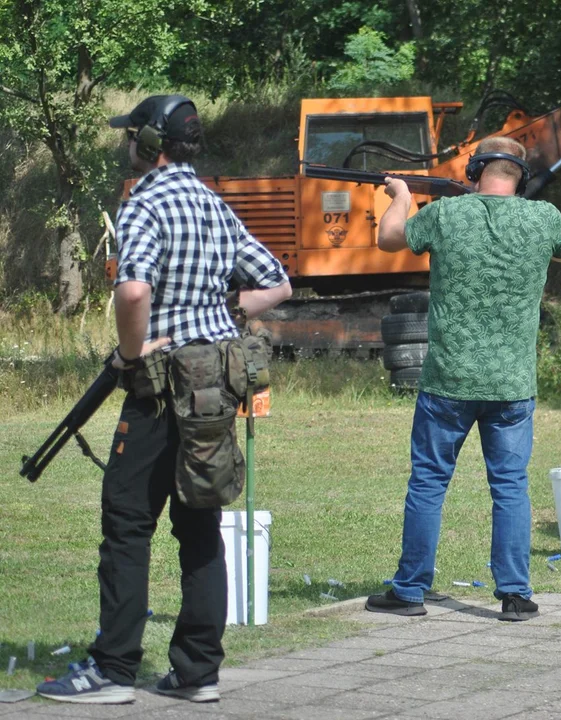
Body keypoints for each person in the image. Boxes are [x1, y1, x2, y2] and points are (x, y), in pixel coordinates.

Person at [37, 95, 291, 704]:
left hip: (159, 387)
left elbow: (132, 291)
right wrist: (222, 311)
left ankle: (112, 671)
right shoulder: (212, 202)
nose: (128, 144)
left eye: (132, 136)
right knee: (199, 524)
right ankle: (198, 671)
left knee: (127, 525)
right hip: (214, 387)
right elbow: (277, 281)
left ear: (148, 144)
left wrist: (131, 352)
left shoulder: (145, 201)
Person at [365, 136, 561, 621]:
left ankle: (411, 590)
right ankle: (515, 594)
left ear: (476, 169)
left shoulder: (445, 215)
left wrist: (401, 197)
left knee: (429, 484)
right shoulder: (545, 217)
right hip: (513, 383)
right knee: (511, 487)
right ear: (521, 176)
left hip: (448, 381)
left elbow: (388, 239)